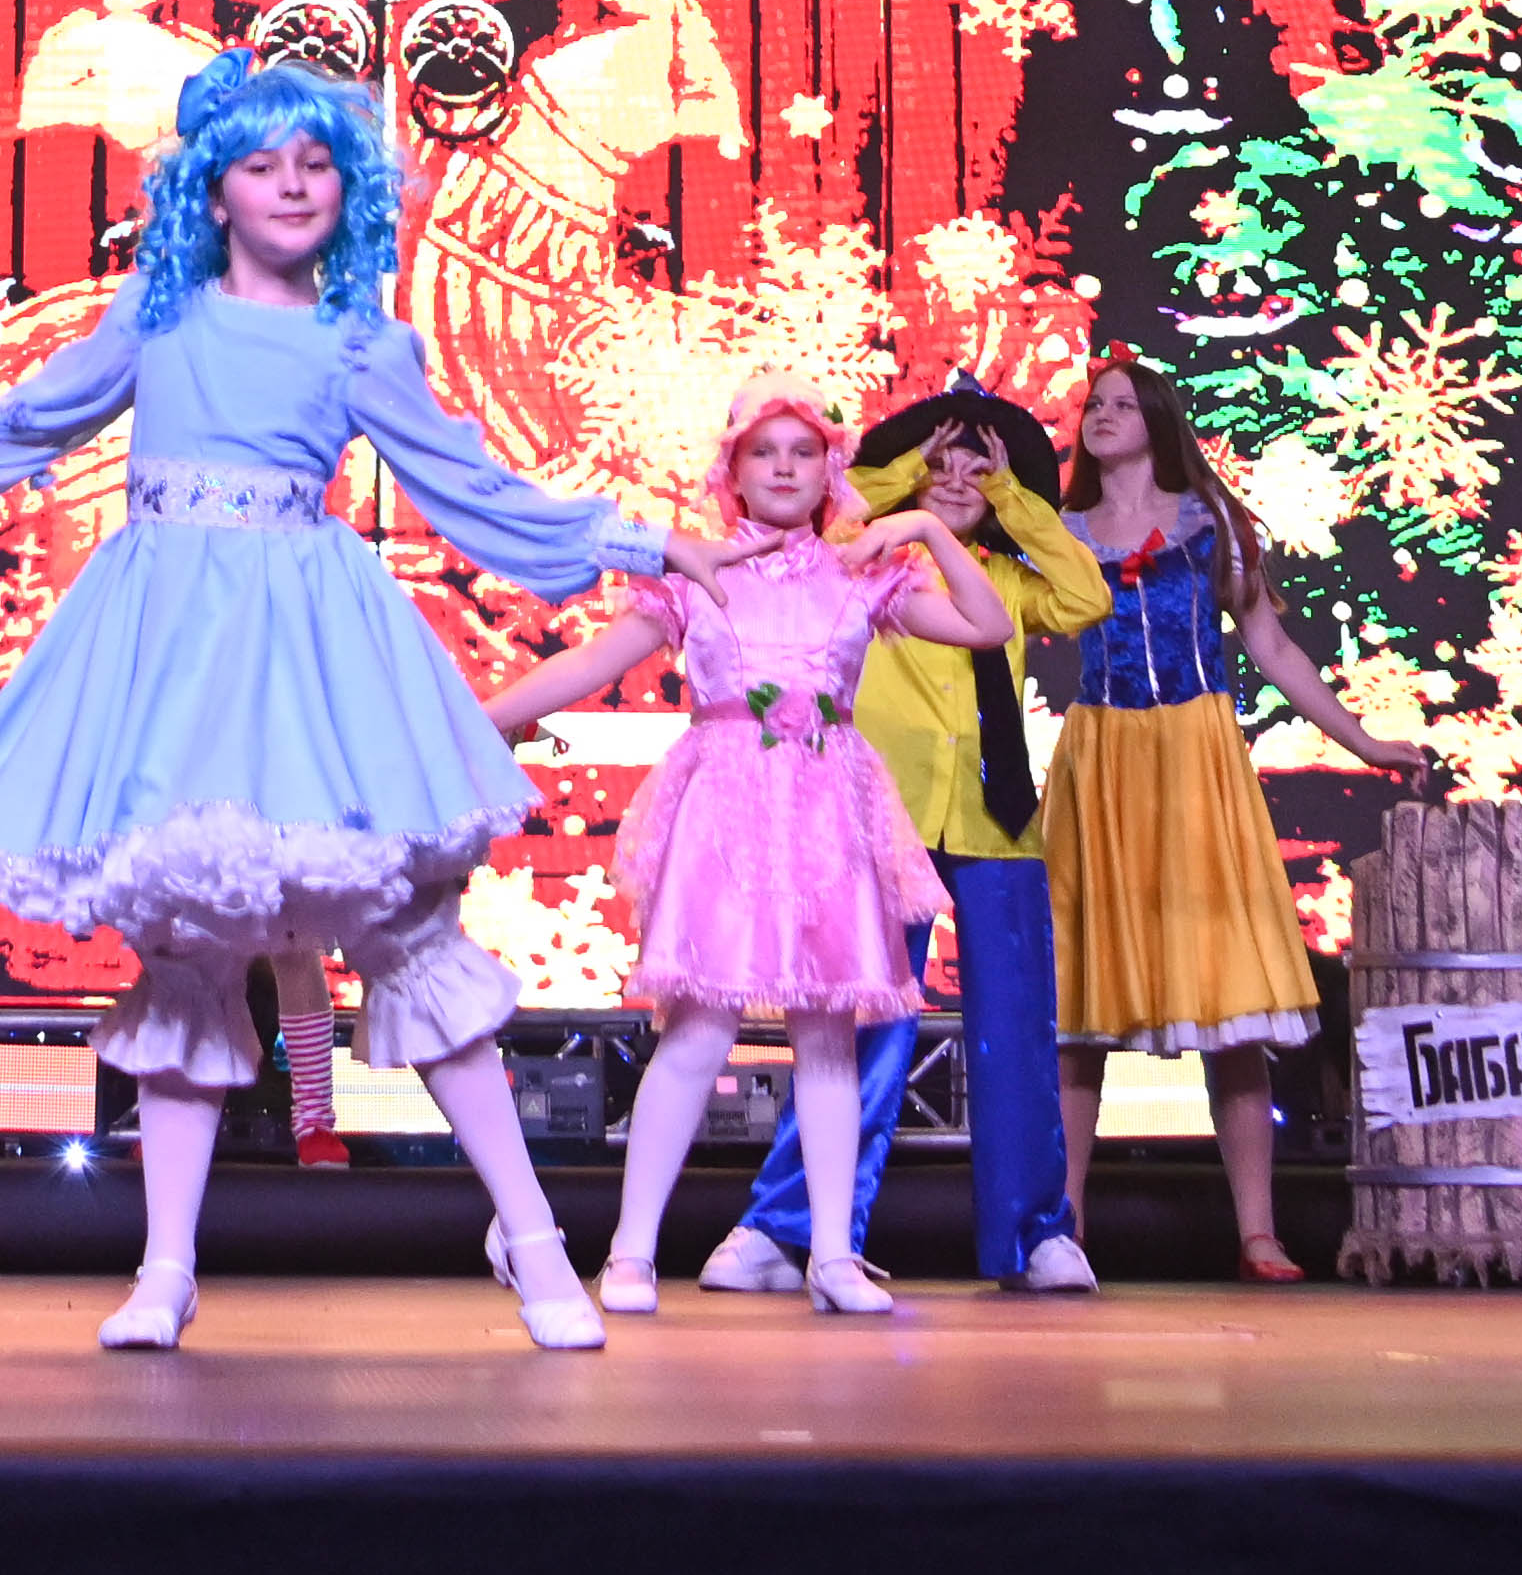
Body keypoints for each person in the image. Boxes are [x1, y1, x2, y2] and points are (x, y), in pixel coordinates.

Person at [0, 52, 692, 1356]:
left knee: (402, 930)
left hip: (309, 653)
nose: (292, 185)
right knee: (185, 954)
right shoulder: (159, 317)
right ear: (213, 188)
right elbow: (23, 419)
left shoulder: (359, 341)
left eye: (315, 165)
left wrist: (650, 542)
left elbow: (474, 487)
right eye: (261, 164)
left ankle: (531, 1237)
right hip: (171, 657)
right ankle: (164, 1267)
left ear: (348, 190)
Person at [485, 390, 1010, 1319]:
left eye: (801, 450)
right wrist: (477, 717)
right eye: (763, 450)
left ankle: (833, 1254)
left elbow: (988, 626)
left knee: (827, 1036)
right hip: (726, 809)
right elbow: (591, 662)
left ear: (828, 466)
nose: (782, 466)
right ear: (732, 468)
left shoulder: (859, 574)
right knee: (696, 1029)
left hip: (828, 812)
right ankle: (631, 1251)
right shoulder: (696, 571)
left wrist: (927, 525)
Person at [706, 378, 1109, 1299]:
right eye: (942, 463)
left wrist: (1005, 495)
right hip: (879, 816)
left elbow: (1085, 595)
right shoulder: (859, 563)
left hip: (995, 819)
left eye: (980, 465)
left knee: (1016, 1035)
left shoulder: (1002, 578)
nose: (959, 477)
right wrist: (909, 486)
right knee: (857, 1030)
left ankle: (1035, 1232)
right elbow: (838, 512)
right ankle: (788, 1227)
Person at [1033, 352, 1431, 1283]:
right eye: (1093, 404)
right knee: (1080, 1012)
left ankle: (1257, 1232)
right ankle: (1061, 1230)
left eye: (1123, 403)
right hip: (1101, 760)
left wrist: (1364, 741)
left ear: (1157, 420)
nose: (1101, 415)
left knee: (1231, 1000)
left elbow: (1271, 645)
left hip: (1194, 756)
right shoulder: (1057, 532)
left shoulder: (1208, 521)